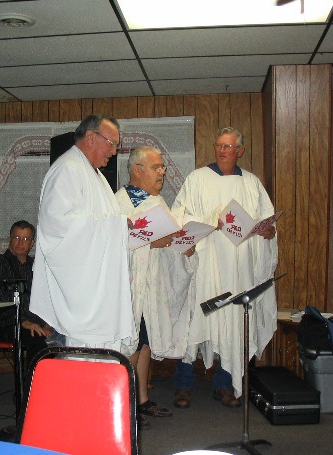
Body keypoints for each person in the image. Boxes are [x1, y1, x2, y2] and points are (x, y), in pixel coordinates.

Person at [171, 127, 278, 408]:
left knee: (233, 322)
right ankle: (183, 384)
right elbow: (180, 216)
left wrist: (268, 232)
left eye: (228, 146)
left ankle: (224, 384)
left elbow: (267, 221)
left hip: (238, 268)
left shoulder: (251, 184)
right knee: (195, 320)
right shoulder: (198, 179)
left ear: (240, 150)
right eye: (219, 145)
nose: (222, 150)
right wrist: (211, 221)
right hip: (206, 265)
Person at [30, 114, 135, 353]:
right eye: (111, 144)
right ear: (90, 137)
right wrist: (116, 225)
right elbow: (57, 228)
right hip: (82, 298)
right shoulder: (67, 169)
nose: (114, 152)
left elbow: (103, 223)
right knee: (82, 362)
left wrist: (121, 227)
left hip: (98, 293)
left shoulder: (96, 175)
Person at [115, 146, 198, 427]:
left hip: (153, 288)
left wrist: (184, 248)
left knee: (145, 343)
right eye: (156, 167)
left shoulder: (158, 202)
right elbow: (114, 246)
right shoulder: (119, 203)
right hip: (130, 288)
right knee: (131, 345)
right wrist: (152, 243)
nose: (162, 172)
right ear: (137, 169)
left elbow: (167, 244)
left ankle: (142, 400)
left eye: (162, 167)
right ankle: (125, 407)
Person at [0, 220, 51, 363]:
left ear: (32, 243)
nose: (20, 243)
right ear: (10, 239)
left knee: (61, 336)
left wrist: (47, 324)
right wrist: (24, 321)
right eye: (17, 238)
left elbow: (46, 299)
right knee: (37, 338)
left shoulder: (36, 267)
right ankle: (32, 378)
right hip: (3, 324)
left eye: (25, 239)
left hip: (33, 323)